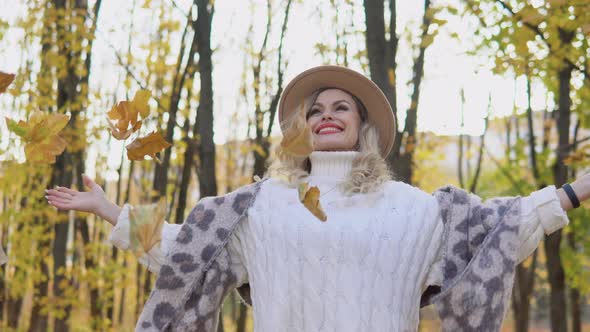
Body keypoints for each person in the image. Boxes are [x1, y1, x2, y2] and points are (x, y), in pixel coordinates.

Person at [45, 65, 587, 332]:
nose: (326, 113)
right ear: (300, 128)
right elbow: (185, 252)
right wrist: (109, 211)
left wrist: (578, 189)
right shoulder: (259, 205)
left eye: (341, 107)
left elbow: (501, 228)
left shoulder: (414, 209)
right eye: (315, 108)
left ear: (363, 126)